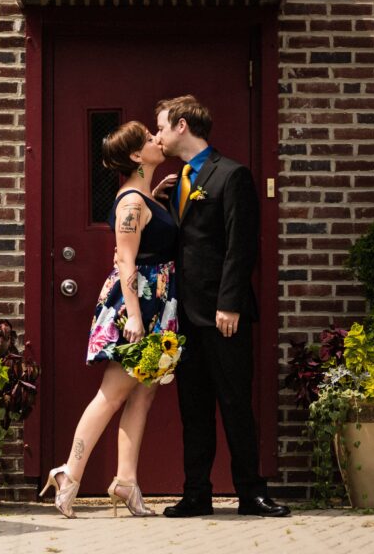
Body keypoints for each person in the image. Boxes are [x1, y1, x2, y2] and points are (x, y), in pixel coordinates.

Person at [152, 95, 290, 518]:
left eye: (160, 127)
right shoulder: (176, 183)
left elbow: (240, 246)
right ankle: (197, 495)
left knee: (234, 404)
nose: (157, 136)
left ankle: (251, 493)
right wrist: (157, 202)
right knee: (193, 410)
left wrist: (229, 303)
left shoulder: (231, 176)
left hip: (222, 315)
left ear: (181, 126)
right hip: (184, 317)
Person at [40, 121, 178, 518]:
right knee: (112, 393)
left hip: (156, 304)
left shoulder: (140, 198)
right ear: (137, 155)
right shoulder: (132, 203)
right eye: (150, 139)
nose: (157, 141)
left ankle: (126, 481)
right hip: (138, 307)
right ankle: (70, 473)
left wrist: (155, 200)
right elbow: (126, 260)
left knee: (143, 393)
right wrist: (134, 317)